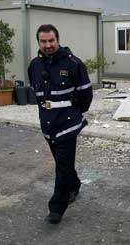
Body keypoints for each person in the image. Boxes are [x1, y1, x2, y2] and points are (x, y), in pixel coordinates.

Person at [28, 24, 93, 224]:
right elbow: (38, 95)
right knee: (62, 162)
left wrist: (74, 114)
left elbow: (86, 94)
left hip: (67, 123)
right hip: (47, 123)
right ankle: (73, 185)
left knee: (62, 166)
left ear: (58, 40)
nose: (48, 45)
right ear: (38, 42)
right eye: (43, 41)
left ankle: (57, 207)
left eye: (51, 41)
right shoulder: (34, 65)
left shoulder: (74, 64)